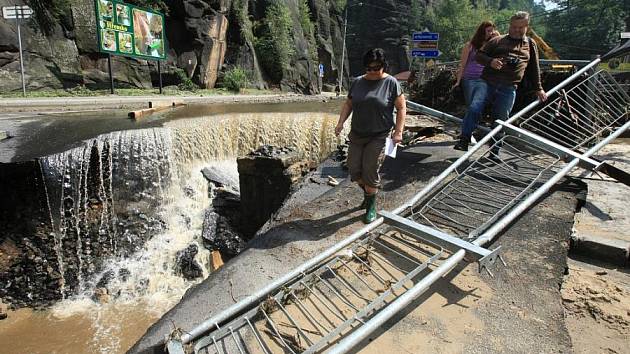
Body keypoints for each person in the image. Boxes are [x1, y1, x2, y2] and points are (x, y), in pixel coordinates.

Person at [335, 48, 406, 224]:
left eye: (376, 68)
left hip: (379, 135)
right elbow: (348, 104)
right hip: (357, 134)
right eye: (369, 68)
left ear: (383, 65)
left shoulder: (391, 83)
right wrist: (340, 122)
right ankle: (368, 195)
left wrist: (398, 132)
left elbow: (401, 107)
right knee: (353, 168)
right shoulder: (358, 82)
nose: (373, 71)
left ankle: (371, 206)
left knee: (370, 168)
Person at [473, 11, 548, 154]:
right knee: (475, 108)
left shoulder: (530, 44)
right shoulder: (498, 40)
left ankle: (495, 151)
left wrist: (539, 88)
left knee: (501, 119)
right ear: (510, 25)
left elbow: (534, 68)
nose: (516, 30)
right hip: (488, 82)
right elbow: (479, 56)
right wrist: (491, 61)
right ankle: (466, 137)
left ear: (527, 26)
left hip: (509, 87)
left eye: (520, 27)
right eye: (514, 27)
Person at [453, 21, 499, 151]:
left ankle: (464, 138)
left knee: (475, 106)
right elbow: (462, 65)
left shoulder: (493, 46)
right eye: (488, 31)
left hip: (483, 80)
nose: (490, 33)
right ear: (482, 31)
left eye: (492, 31)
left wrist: (496, 36)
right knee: (472, 108)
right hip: (468, 79)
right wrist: (458, 81)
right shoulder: (471, 45)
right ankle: (470, 133)